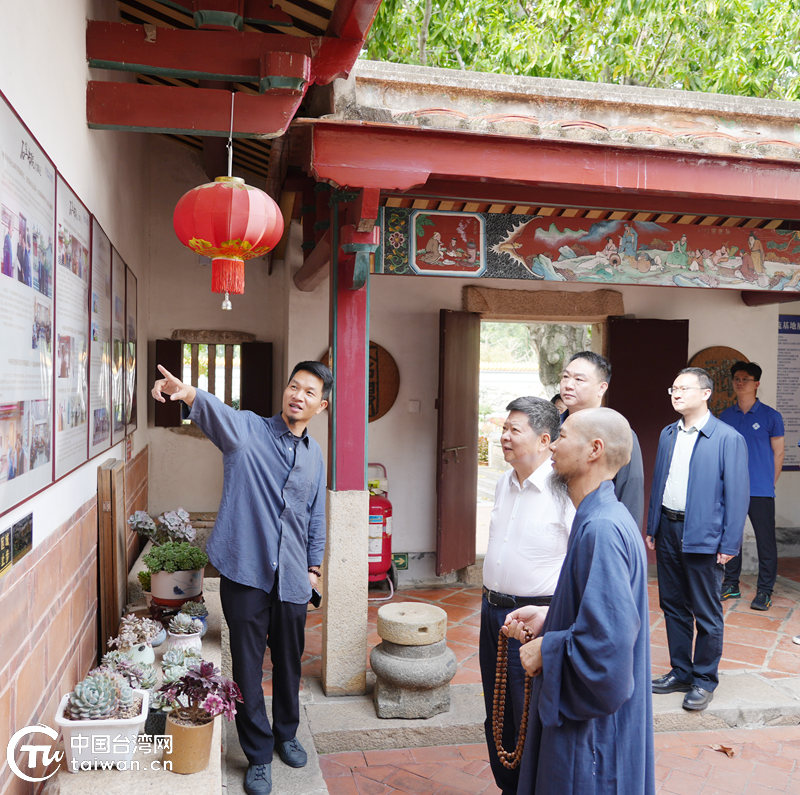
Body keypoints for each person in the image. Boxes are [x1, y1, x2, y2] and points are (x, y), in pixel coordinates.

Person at [151, 360, 333, 795]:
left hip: (292, 578)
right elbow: (215, 411)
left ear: (320, 406)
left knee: (290, 663)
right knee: (249, 668)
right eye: (294, 386)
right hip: (246, 572)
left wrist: (314, 569)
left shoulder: (314, 455)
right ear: (285, 390)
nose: (298, 396)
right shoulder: (247, 431)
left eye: (309, 392)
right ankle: (257, 753)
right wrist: (187, 392)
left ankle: (287, 734)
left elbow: (315, 517)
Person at [504, 407, 654, 794]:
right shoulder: (600, 516)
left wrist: (548, 651)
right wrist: (551, 615)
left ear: (594, 450)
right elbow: (598, 612)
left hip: (592, 736)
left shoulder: (602, 527)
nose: (552, 445)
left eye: (564, 436)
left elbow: (607, 646)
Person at [480, 397, 575, 794]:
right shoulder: (504, 482)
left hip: (534, 617)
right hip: (493, 612)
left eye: (514, 430)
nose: (503, 437)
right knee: (497, 711)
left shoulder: (564, 490)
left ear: (545, 440)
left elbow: (578, 563)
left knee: (527, 715)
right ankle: (508, 786)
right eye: (504, 428)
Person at [647, 367, 748, 711]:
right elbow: (659, 483)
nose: (676, 394)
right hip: (669, 531)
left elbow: (737, 496)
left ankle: (704, 680)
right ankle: (681, 671)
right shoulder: (668, 434)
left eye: (684, 388)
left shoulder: (726, 438)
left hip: (704, 535)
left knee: (706, 612)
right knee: (673, 606)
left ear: (705, 393)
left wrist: (729, 544)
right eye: (673, 388)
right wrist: (653, 526)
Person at [719, 361, 785, 610]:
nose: (739, 382)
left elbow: (778, 453)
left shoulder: (771, 416)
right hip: (732, 488)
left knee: (765, 542)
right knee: (730, 538)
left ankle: (765, 591)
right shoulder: (726, 416)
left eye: (745, 379)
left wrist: (770, 482)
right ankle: (731, 584)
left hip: (761, 489)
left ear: (756, 384)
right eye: (736, 378)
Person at [558, 351, 645, 527]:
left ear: (602, 388)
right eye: (565, 377)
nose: (568, 385)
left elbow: (630, 492)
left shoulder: (619, 433)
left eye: (579, 380)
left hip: (593, 530)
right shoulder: (551, 430)